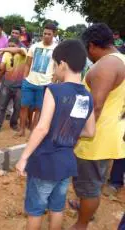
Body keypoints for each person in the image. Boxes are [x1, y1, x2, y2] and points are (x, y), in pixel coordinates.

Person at [16, 39, 96, 230]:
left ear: (63, 64)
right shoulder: (86, 96)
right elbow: (90, 131)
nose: (53, 70)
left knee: (36, 210)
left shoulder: (54, 90)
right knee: (57, 207)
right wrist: (70, 133)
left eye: (54, 64)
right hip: (66, 163)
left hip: (45, 162)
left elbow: (42, 128)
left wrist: (24, 157)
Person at [69, 23, 125, 230]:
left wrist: (74, 134)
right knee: (93, 180)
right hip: (108, 133)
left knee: (90, 185)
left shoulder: (105, 66)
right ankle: (84, 206)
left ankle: (82, 223)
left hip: (94, 139)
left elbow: (95, 107)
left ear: (92, 46)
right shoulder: (121, 60)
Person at [17, 24, 57, 137]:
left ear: (54, 34)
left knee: (38, 109)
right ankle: (22, 130)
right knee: (24, 106)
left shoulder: (56, 49)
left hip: (45, 83)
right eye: (45, 33)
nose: (46, 36)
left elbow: (57, 68)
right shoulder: (34, 46)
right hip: (29, 82)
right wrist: (25, 78)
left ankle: (33, 131)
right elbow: (27, 64)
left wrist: (52, 82)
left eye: (49, 34)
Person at [0, 37, 27, 134]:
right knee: (1, 106)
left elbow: (18, 50)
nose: (10, 48)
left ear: (18, 45)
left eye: (12, 46)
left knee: (17, 107)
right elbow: (2, 68)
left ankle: (13, 124)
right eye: (9, 46)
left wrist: (3, 49)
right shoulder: (6, 54)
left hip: (19, 86)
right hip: (6, 84)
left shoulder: (23, 51)